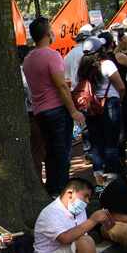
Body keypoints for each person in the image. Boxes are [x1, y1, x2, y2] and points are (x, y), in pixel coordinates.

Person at [23, 17, 86, 196]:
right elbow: (61, 86)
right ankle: (61, 190)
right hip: (56, 110)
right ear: (48, 34)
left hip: (40, 112)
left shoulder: (28, 59)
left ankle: (53, 188)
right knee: (62, 152)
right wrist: (73, 111)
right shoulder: (51, 55)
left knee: (51, 151)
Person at [78, 36, 126, 188]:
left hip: (91, 107)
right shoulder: (107, 64)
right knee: (111, 141)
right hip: (109, 104)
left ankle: (98, 175)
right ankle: (113, 176)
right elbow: (121, 87)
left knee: (96, 142)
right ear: (101, 50)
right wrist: (121, 99)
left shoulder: (83, 66)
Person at [19, 45, 47, 181]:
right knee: (36, 152)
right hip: (31, 116)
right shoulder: (25, 74)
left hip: (25, 117)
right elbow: (31, 97)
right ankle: (38, 182)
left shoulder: (15, 73)